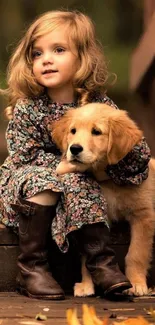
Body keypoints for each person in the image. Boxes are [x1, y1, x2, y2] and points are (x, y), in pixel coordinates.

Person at [0, 10, 150, 300]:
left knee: (83, 183)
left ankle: (101, 264)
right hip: (28, 189)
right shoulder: (28, 109)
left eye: (58, 50)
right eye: (36, 53)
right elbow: (23, 158)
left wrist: (104, 169)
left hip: (77, 186)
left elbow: (138, 156)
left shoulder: (100, 104)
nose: (46, 59)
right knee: (51, 180)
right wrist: (67, 168)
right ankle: (31, 267)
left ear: (82, 59)